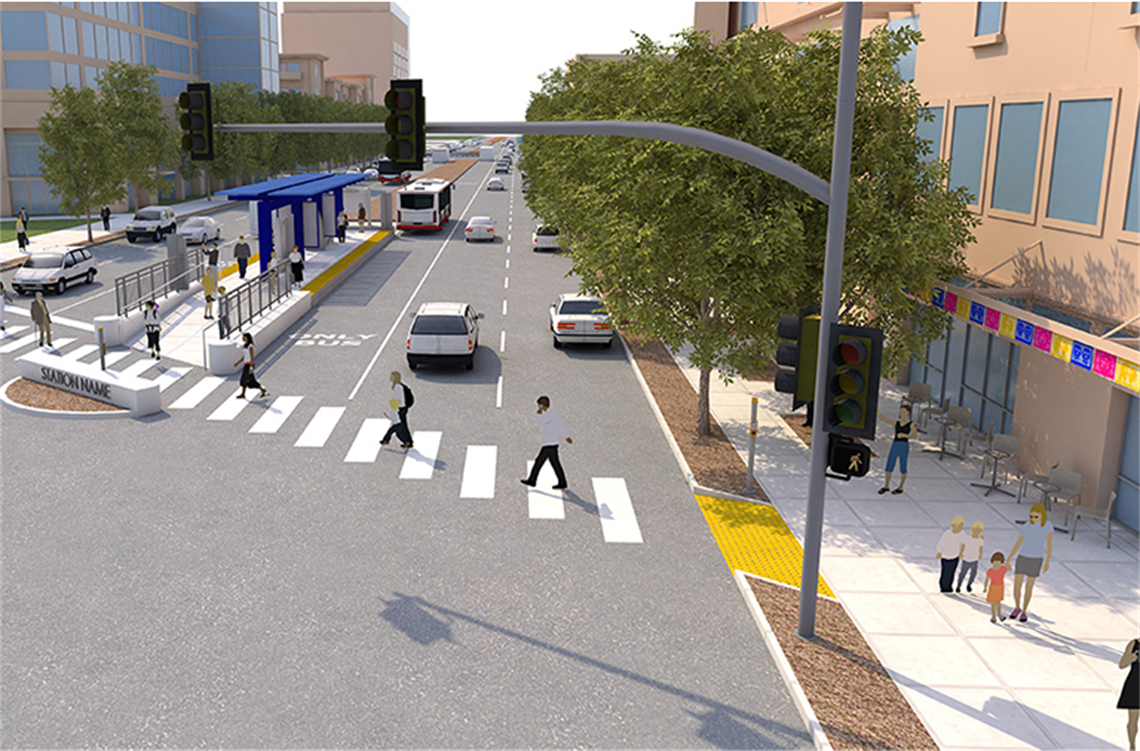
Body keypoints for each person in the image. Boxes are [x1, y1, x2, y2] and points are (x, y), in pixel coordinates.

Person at [1007, 502, 1054, 624]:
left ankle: (1024, 611)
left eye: (1036, 517)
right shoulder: (1027, 526)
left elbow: (1049, 545)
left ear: (1042, 516)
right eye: (1031, 516)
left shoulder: (1048, 526)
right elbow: (1018, 543)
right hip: (1023, 557)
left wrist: (1047, 560)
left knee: (1029, 587)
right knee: (1017, 585)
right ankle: (1017, 607)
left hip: (1036, 559)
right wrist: (1009, 558)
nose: (1033, 519)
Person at [520, 395, 572, 490]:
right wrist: (566, 436)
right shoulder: (551, 413)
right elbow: (560, 425)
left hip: (550, 444)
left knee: (540, 462)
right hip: (551, 443)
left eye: (539, 405)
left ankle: (532, 480)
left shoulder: (549, 415)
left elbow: (539, 423)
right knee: (553, 464)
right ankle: (562, 482)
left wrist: (538, 414)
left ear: (542, 405)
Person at [877, 404, 913, 494]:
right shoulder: (896, 423)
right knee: (889, 464)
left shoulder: (910, 424)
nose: (902, 413)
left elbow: (915, 435)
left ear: (908, 413)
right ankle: (886, 485)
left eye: (904, 411)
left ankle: (900, 487)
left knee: (903, 465)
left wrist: (904, 435)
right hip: (895, 444)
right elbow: (886, 419)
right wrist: (878, 413)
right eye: (900, 411)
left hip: (904, 445)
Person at [380, 371, 414, 449]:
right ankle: (407, 441)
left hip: (400, 409)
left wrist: (395, 410)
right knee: (401, 426)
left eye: (391, 376)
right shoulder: (398, 386)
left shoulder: (398, 387)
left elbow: (400, 400)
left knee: (399, 426)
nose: (390, 378)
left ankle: (406, 441)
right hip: (400, 409)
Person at [935, 515, 967, 593]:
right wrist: (939, 552)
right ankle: (943, 586)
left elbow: (966, 542)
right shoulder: (947, 534)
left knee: (951, 572)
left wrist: (961, 552)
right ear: (953, 526)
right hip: (945, 556)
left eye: (960, 526)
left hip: (955, 556)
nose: (958, 528)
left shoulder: (962, 534)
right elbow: (941, 543)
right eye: (957, 526)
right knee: (945, 571)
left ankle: (948, 586)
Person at [233, 332, 267, 399]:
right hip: (246, 364)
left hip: (249, 365)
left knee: (244, 379)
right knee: (251, 380)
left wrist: (251, 368)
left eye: (244, 337)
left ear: (247, 338)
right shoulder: (245, 346)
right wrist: (237, 363)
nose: (243, 339)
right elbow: (244, 357)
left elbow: (251, 358)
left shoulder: (250, 347)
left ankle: (243, 394)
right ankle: (262, 390)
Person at [1120, 637, 1140, 751]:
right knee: (1133, 719)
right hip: (1135, 684)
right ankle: (1132, 746)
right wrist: (1132, 658)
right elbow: (1122, 665)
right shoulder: (1134, 644)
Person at [957, 521, 985, 593]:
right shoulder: (967, 538)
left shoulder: (980, 540)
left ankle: (969, 585)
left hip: (975, 559)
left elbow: (980, 548)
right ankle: (958, 586)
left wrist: (980, 554)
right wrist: (961, 553)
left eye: (978, 531)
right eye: (975, 530)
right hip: (966, 559)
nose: (976, 532)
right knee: (963, 573)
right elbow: (963, 546)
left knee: (973, 573)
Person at [983, 551, 1008, 623]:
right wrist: (985, 587)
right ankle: (993, 616)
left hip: (1000, 587)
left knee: (998, 602)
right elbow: (986, 579)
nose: (997, 563)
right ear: (992, 561)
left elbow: (1010, 568)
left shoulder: (1003, 569)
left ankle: (1000, 615)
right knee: (993, 603)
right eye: (995, 561)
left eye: (999, 561)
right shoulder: (990, 571)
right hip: (993, 587)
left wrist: (1008, 561)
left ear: (1001, 562)